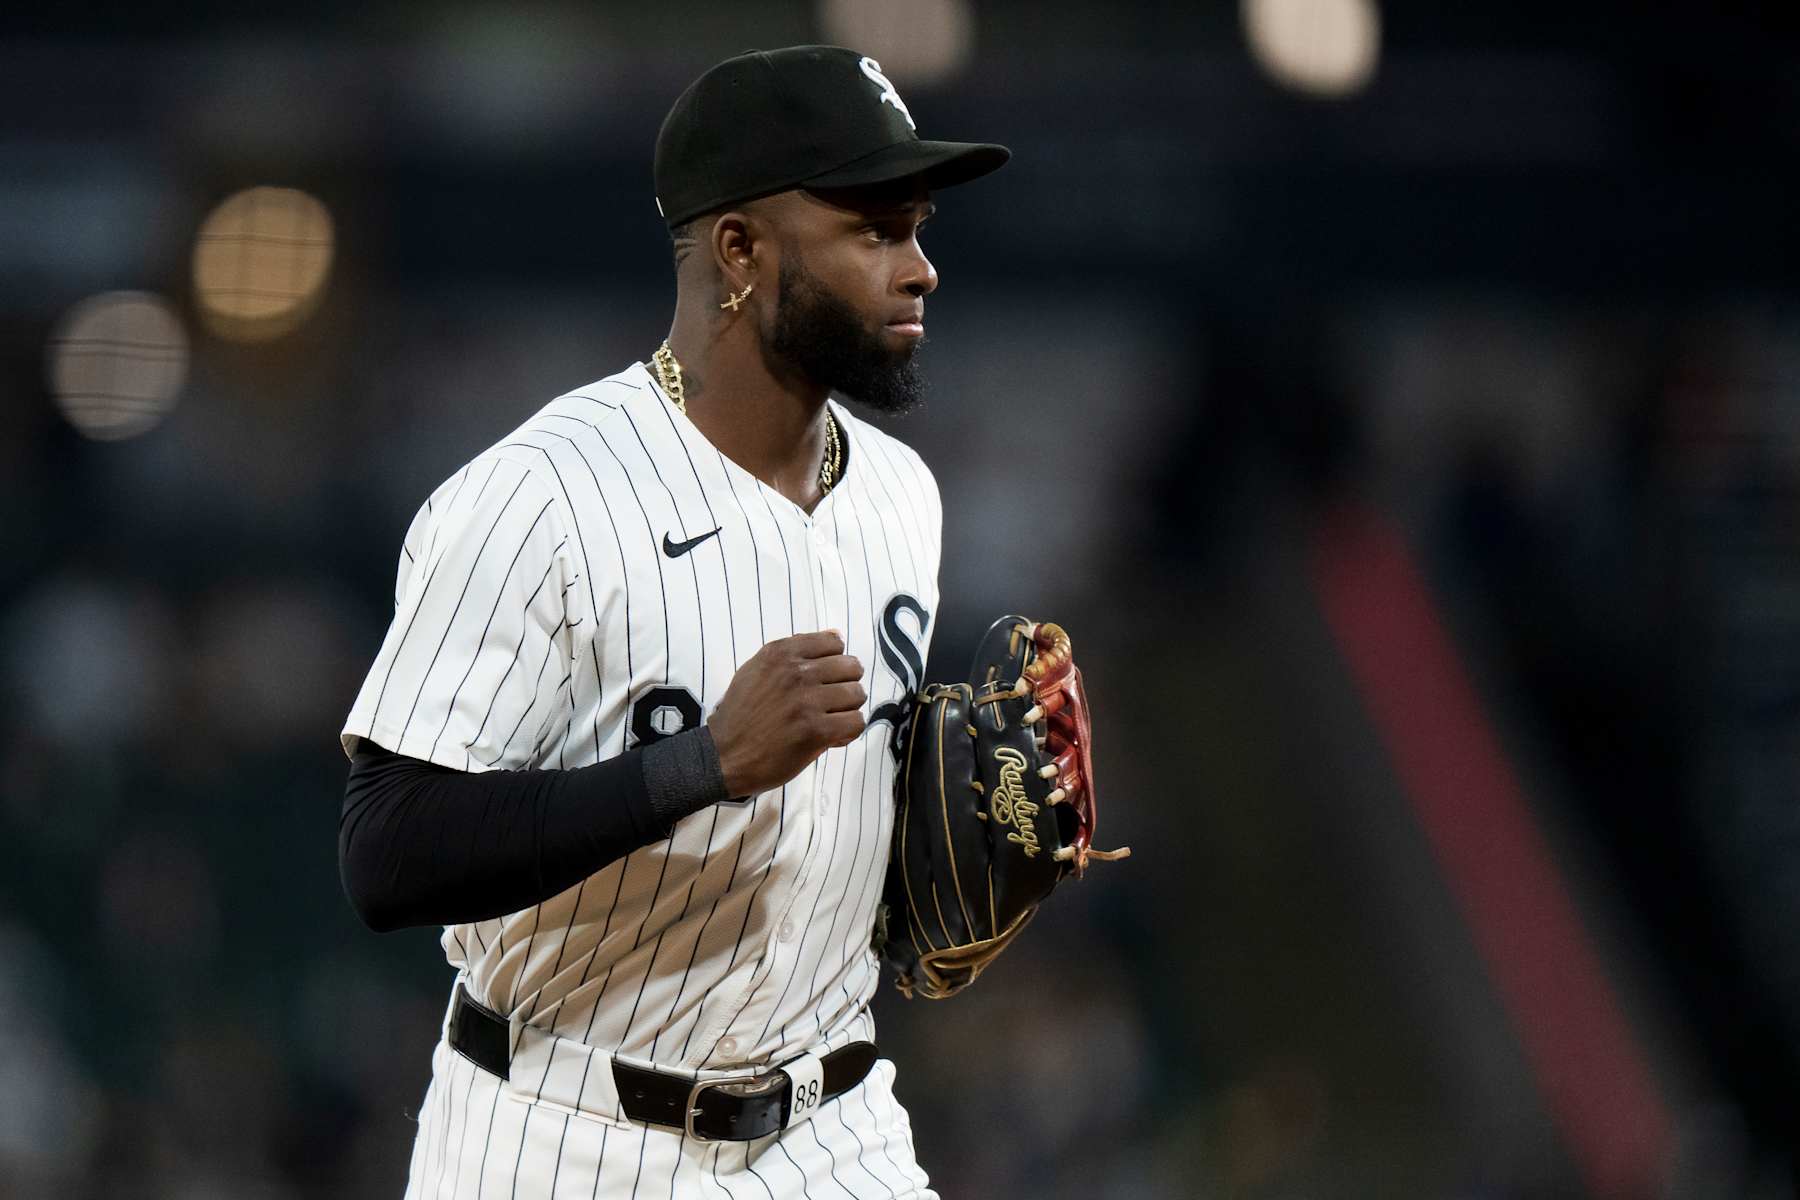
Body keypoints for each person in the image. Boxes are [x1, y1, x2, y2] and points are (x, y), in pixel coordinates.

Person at [337, 45, 1008, 1197]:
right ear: (739, 252)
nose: (920, 269)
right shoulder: (540, 499)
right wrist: (701, 764)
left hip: (831, 1126)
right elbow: (387, 853)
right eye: (874, 229)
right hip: (563, 1128)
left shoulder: (904, 496)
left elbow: (829, 867)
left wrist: (978, 851)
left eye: (919, 226)